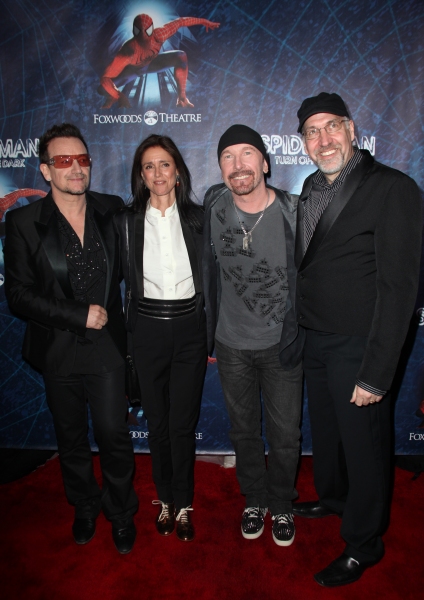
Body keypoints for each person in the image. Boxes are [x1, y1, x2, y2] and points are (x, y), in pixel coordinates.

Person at [285, 92, 422, 586]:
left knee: (364, 447)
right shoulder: (307, 188)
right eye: (311, 132)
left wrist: (377, 371)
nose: (323, 140)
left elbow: (400, 287)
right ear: (303, 143)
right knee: (328, 435)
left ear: (352, 129)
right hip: (315, 339)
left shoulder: (393, 187)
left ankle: (365, 543)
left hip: (359, 345)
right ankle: (335, 497)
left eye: (331, 127)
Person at [4, 123, 139, 554]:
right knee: (71, 436)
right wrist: (78, 314)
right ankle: (84, 506)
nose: (76, 168)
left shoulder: (112, 208)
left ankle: (120, 511)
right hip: (57, 348)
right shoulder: (23, 221)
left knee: (114, 434)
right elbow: (19, 295)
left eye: (82, 159)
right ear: (46, 170)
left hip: (108, 350)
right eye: (63, 160)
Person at [203, 124, 303, 547]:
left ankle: (281, 502)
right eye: (228, 156)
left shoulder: (295, 211)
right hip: (231, 345)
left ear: (265, 162)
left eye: (247, 154)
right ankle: (254, 499)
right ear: (221, 167)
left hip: (282, 347)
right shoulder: (213, 206)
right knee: (243, 431)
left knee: (285, 435)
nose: (238, 164)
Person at [114, 134, 207, 542]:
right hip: (146, 330)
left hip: (190, 329)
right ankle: (165, 499)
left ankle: (184, 504)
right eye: (149, 166)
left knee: (183, 424)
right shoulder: (125, 220)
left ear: (178, 171)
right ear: (140, 174)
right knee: (157, 423)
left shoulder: (199, 219)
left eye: (164, 164)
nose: (157, 174)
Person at [98, 14, 219, 109]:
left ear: (151, 30)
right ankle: (112, 97)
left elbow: (181, 22)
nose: (144, 35)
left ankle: (182, 97)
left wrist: (203, 21)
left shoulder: (159, 35)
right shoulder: (127, 52)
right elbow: (105, 78)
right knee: (102, 89)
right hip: (132, 71)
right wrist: (119, 96)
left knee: (180, 56)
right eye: (140, 32)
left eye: (147, 31)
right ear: (135, 32)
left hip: (152, 63)